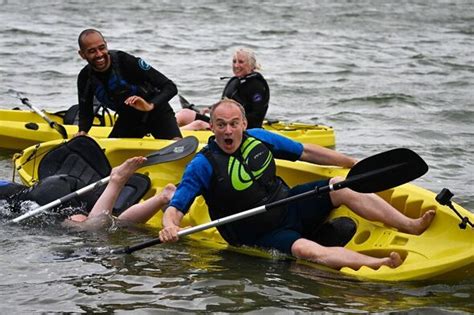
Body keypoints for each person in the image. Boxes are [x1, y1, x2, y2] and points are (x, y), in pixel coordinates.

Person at [158, 98, 436, 271]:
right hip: (256, 233)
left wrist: (351, 161)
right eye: (220, 124)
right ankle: (379, 264)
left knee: (341, 185)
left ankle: (409, 224)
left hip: (289, 204)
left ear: (243, 123)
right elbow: (177, 205)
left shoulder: (260, 138)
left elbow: (308, 152)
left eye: (233, 123)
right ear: (212, 127)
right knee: (305, 250)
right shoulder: (202, 164)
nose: (228, 131)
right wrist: (170, 226)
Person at [1, 157, 175, 231]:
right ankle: (162, 198)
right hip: (60, 183)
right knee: (114, 222)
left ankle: (116, 180)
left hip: (45, 195)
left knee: (89, 229)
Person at [76, 29, 182, 139]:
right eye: (92, 51)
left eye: (102, 48)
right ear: (82, 54)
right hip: (129, 119)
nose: (99, 54)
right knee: (105, 153)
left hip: (157, 112)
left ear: (106, 45)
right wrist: (82, 131)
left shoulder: (125, 61)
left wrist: (150, 105)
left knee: (176, 145)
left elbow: (170, 87)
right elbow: (86, 112)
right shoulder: (85, 77)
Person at [176, 47, 269, 130]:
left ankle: (171, 136)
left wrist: (230, 122)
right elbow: (225, 104)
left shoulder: (257, 85)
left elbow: (257, 115)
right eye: (234, 61)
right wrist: (210, 109)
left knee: (198, 124)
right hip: (222, 122)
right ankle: (166, 127)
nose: (236, 65)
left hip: (241, 128)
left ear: (251, 65)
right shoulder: (234, 81)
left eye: (241, 62)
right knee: (185, 113)